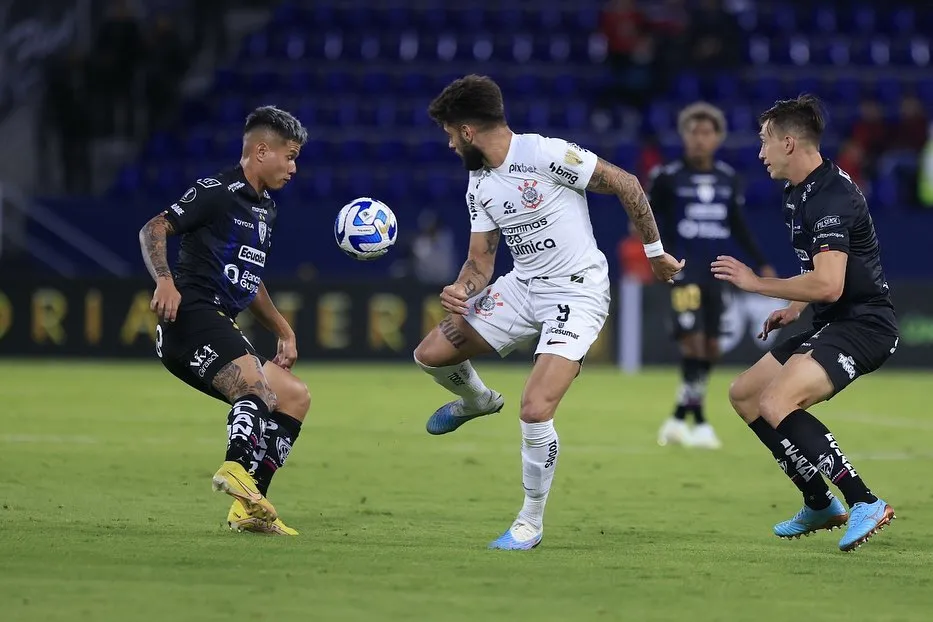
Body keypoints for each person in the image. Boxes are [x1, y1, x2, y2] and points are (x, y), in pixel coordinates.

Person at [412, 75, 683, 550]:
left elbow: (626, 182)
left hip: (577, 294)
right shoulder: (479, 184)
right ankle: (477, 401)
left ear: (468, 130)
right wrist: (462, 288)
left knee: (535, 408)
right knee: (432, 352)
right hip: (522, 286)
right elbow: (480, 262)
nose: (450, 143)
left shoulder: (545, 154)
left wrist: (655, 251)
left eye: (450, 133)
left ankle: (529, 522)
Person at [711, 95, 897, 552]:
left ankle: (864, 501)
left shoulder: (830, 198)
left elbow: (831, 285)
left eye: (764, 142)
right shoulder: (802, 192)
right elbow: (824, 275)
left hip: (865, 325)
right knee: (747, 395)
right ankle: (819, 502)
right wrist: (794, 307)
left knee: (778, 399)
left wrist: (759, 284)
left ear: (789, 143)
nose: (760, 153)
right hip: (832, 320)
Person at [138, 106, 310, 536]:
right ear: (262, 150)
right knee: (255, 386)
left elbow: (250, 282)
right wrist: (164, 280)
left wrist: (283, 329)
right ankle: (235, 468)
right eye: (288, 156)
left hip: (219, 320)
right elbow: (153, 228)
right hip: (190, 315)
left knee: (293, 396)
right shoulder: (217, 190)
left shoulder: (266, 209)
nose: (293, 167)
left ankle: (250, 507)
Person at [650, 102, 775, 449]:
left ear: (718, 137)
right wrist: (656, 257)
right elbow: (646, 220)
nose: (699, 139)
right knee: (693, 343)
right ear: (684, 135)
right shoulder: (667, 176)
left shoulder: (728, 178)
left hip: (717, 273)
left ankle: (679, 418)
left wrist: (761, 262)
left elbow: (738, 225)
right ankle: (700, 421)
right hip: (683, 274)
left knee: (712, 347)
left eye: (707, 132)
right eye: (693, 132)